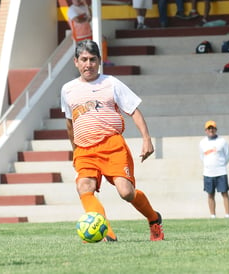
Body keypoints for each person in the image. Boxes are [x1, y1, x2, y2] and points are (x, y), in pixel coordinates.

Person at [61, 40, 164, 242]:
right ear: (76, 62)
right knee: (84, 187)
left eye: (92, 60)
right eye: (83, 59)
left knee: (126, 193)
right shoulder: (67, 89)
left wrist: (146, 139)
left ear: (99, 61)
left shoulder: (111, 83)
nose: (88, 64)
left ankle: (154, 219)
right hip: (84, 149)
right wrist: (75, 150)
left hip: (112, 145)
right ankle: (106, 231)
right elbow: (69, 122)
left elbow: (133, 110)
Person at [199, 120, 229, 218]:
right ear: (206, 130)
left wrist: (221, 165)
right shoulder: (202, 143)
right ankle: (213, 215)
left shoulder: (222, 141)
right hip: (208, 172)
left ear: (216, 129)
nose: (211, 130)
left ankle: (227, 215)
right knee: (210, 194)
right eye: (209, 128)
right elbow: (202, 156)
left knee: (224, 193)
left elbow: (228, 155)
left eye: (212, 128)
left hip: (221, 171)